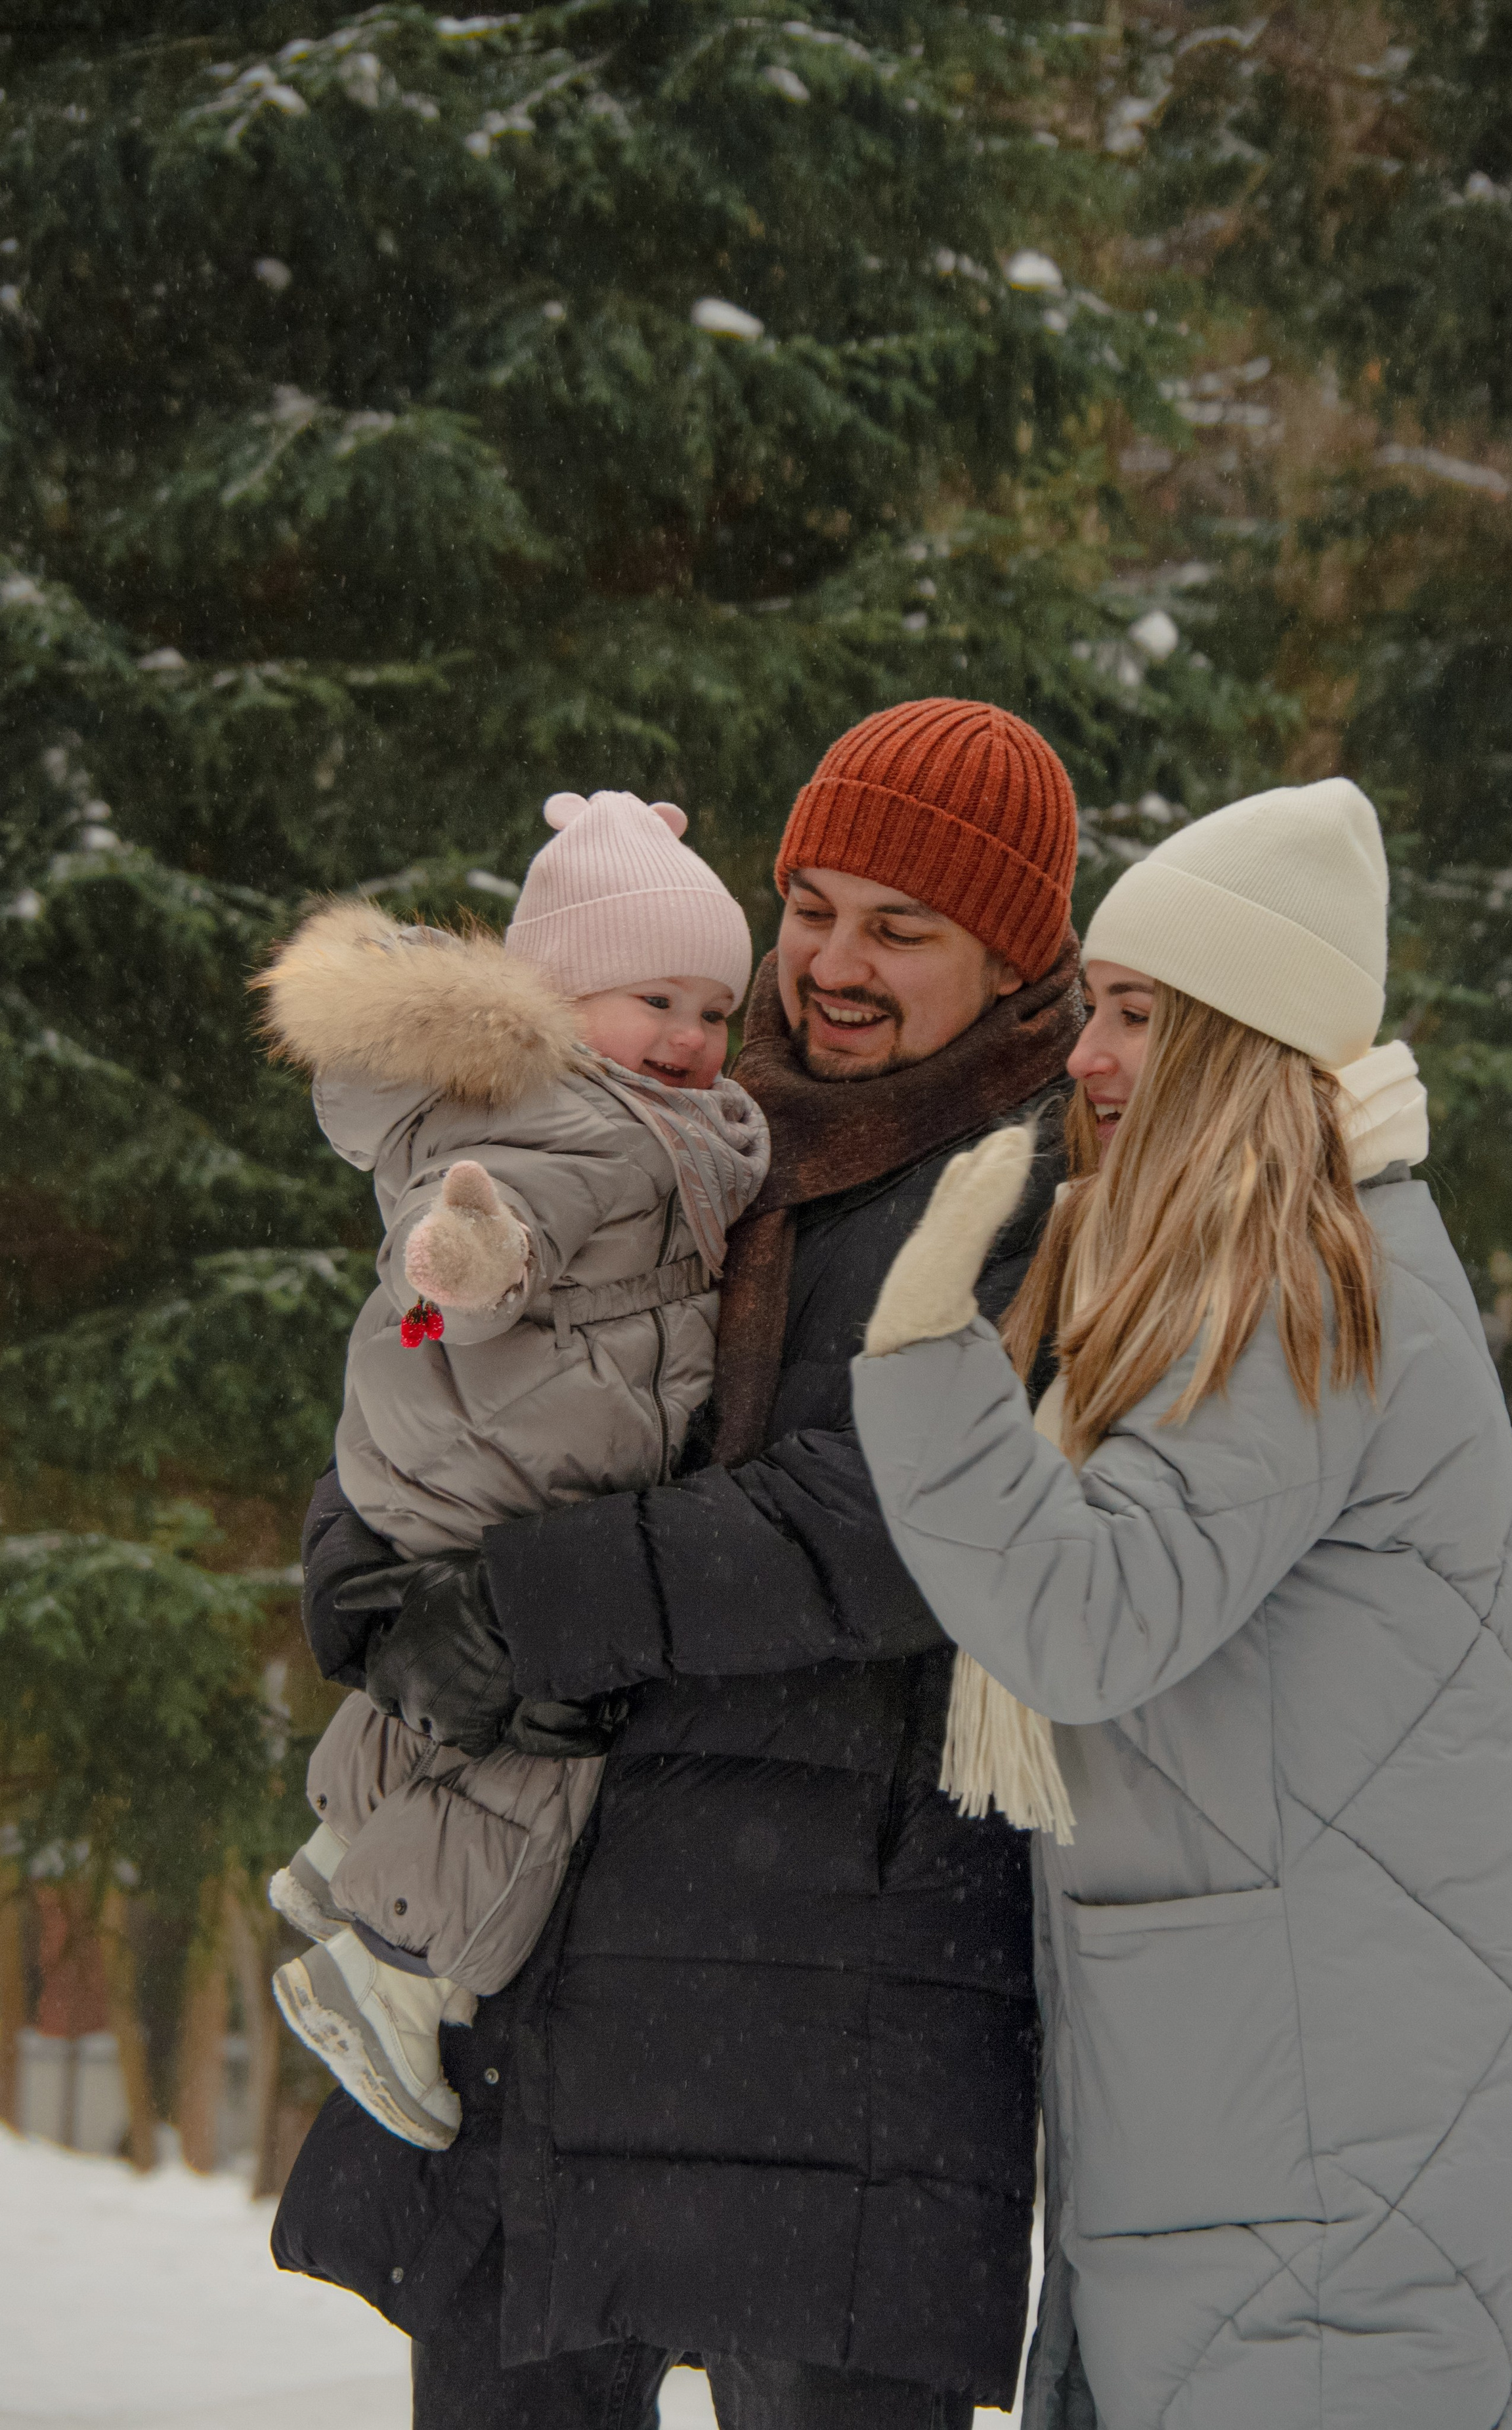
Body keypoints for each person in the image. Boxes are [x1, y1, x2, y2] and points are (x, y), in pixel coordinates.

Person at [272, 699, 1087, 2429]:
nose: (834, 963)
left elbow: (890, 1522)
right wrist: (367, 1585)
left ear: (1014, 954)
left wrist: (515, 1607)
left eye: (902, 927)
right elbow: (436, 1363)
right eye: (812, 907)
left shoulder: (1045, 1181)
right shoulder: (669, 1111)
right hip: (558, 1967)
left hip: (832, 1990)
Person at [851, 777, 1512, 2429]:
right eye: (1093, 1009)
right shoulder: (1265, 1254)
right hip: (1294, 2113)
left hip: (1333, 2143)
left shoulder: (1303, 1272)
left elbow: (1084, 1614)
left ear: (1230, 1038)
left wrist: (917, 1358)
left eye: (1132, 1016)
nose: (1084, 1056)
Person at [255, 791, 769, 2150]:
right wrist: (470, 1266)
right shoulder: (575, 1122)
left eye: (714, 1010)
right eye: (653, 999)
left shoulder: (642, 1110)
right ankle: (391, 1966)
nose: (688, 1037)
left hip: (471, 1455)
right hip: (496, 1452)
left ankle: (340, 1857)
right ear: (556, 999)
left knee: (454, 1689)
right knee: (534, 1749)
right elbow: (488, 1235)